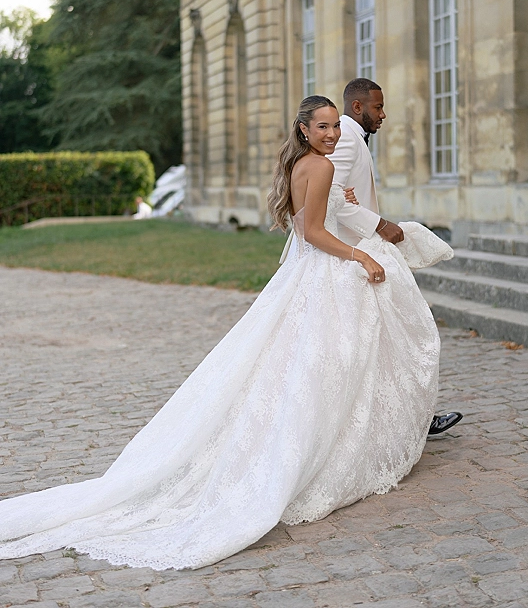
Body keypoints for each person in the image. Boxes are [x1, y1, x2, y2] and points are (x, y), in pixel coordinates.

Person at [0, 96, 450, 572]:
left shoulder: (305, 164)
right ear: (303, 130)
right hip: (326, 271)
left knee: (302, 364)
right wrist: (360, 255)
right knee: (328, 364)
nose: (333, 135)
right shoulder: (318, 167)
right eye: (322, 127)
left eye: (336, 126)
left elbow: (306, 223)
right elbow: (314, 232)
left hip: (309, 274)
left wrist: (344, 202)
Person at [328, 77, 463, 436]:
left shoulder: (353, 138)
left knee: (387, 339)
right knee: (401, 333)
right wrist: (380, 224)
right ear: (358, 107)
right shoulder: (345, 140)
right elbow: (329, 198)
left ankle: (409, 416)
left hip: (359, 252)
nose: (383, 114)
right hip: (352, 257)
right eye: (378, 107)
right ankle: (403, 420)